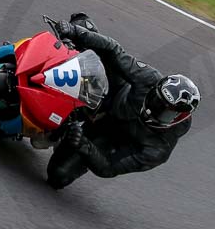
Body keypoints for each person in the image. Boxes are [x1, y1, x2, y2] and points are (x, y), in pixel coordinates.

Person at [45, 15, 200, 189]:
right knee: (81, 30)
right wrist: (76, 32)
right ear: (157, 88)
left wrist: (83, 144)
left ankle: (64, 135)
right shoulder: (150, 79)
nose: (153, 109)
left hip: (108, 136)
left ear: (178, 118)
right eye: (156, 100)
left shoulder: (159, 149)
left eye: (165, 111)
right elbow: (114, 50)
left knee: (59, 175)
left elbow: (109, 168)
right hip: (112, 94)